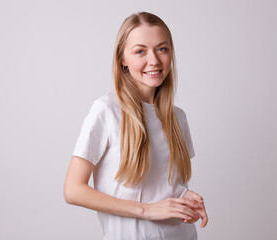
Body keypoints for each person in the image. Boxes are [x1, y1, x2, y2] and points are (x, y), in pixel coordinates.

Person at [64, 11, 208, 240]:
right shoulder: (106, 111)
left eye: (162, 48)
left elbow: (165, 187)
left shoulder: (178, 118)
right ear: (122, 60)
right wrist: (147, 210)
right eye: (140, 51)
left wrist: (184, 199)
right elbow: (73, 191)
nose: (154, 60)